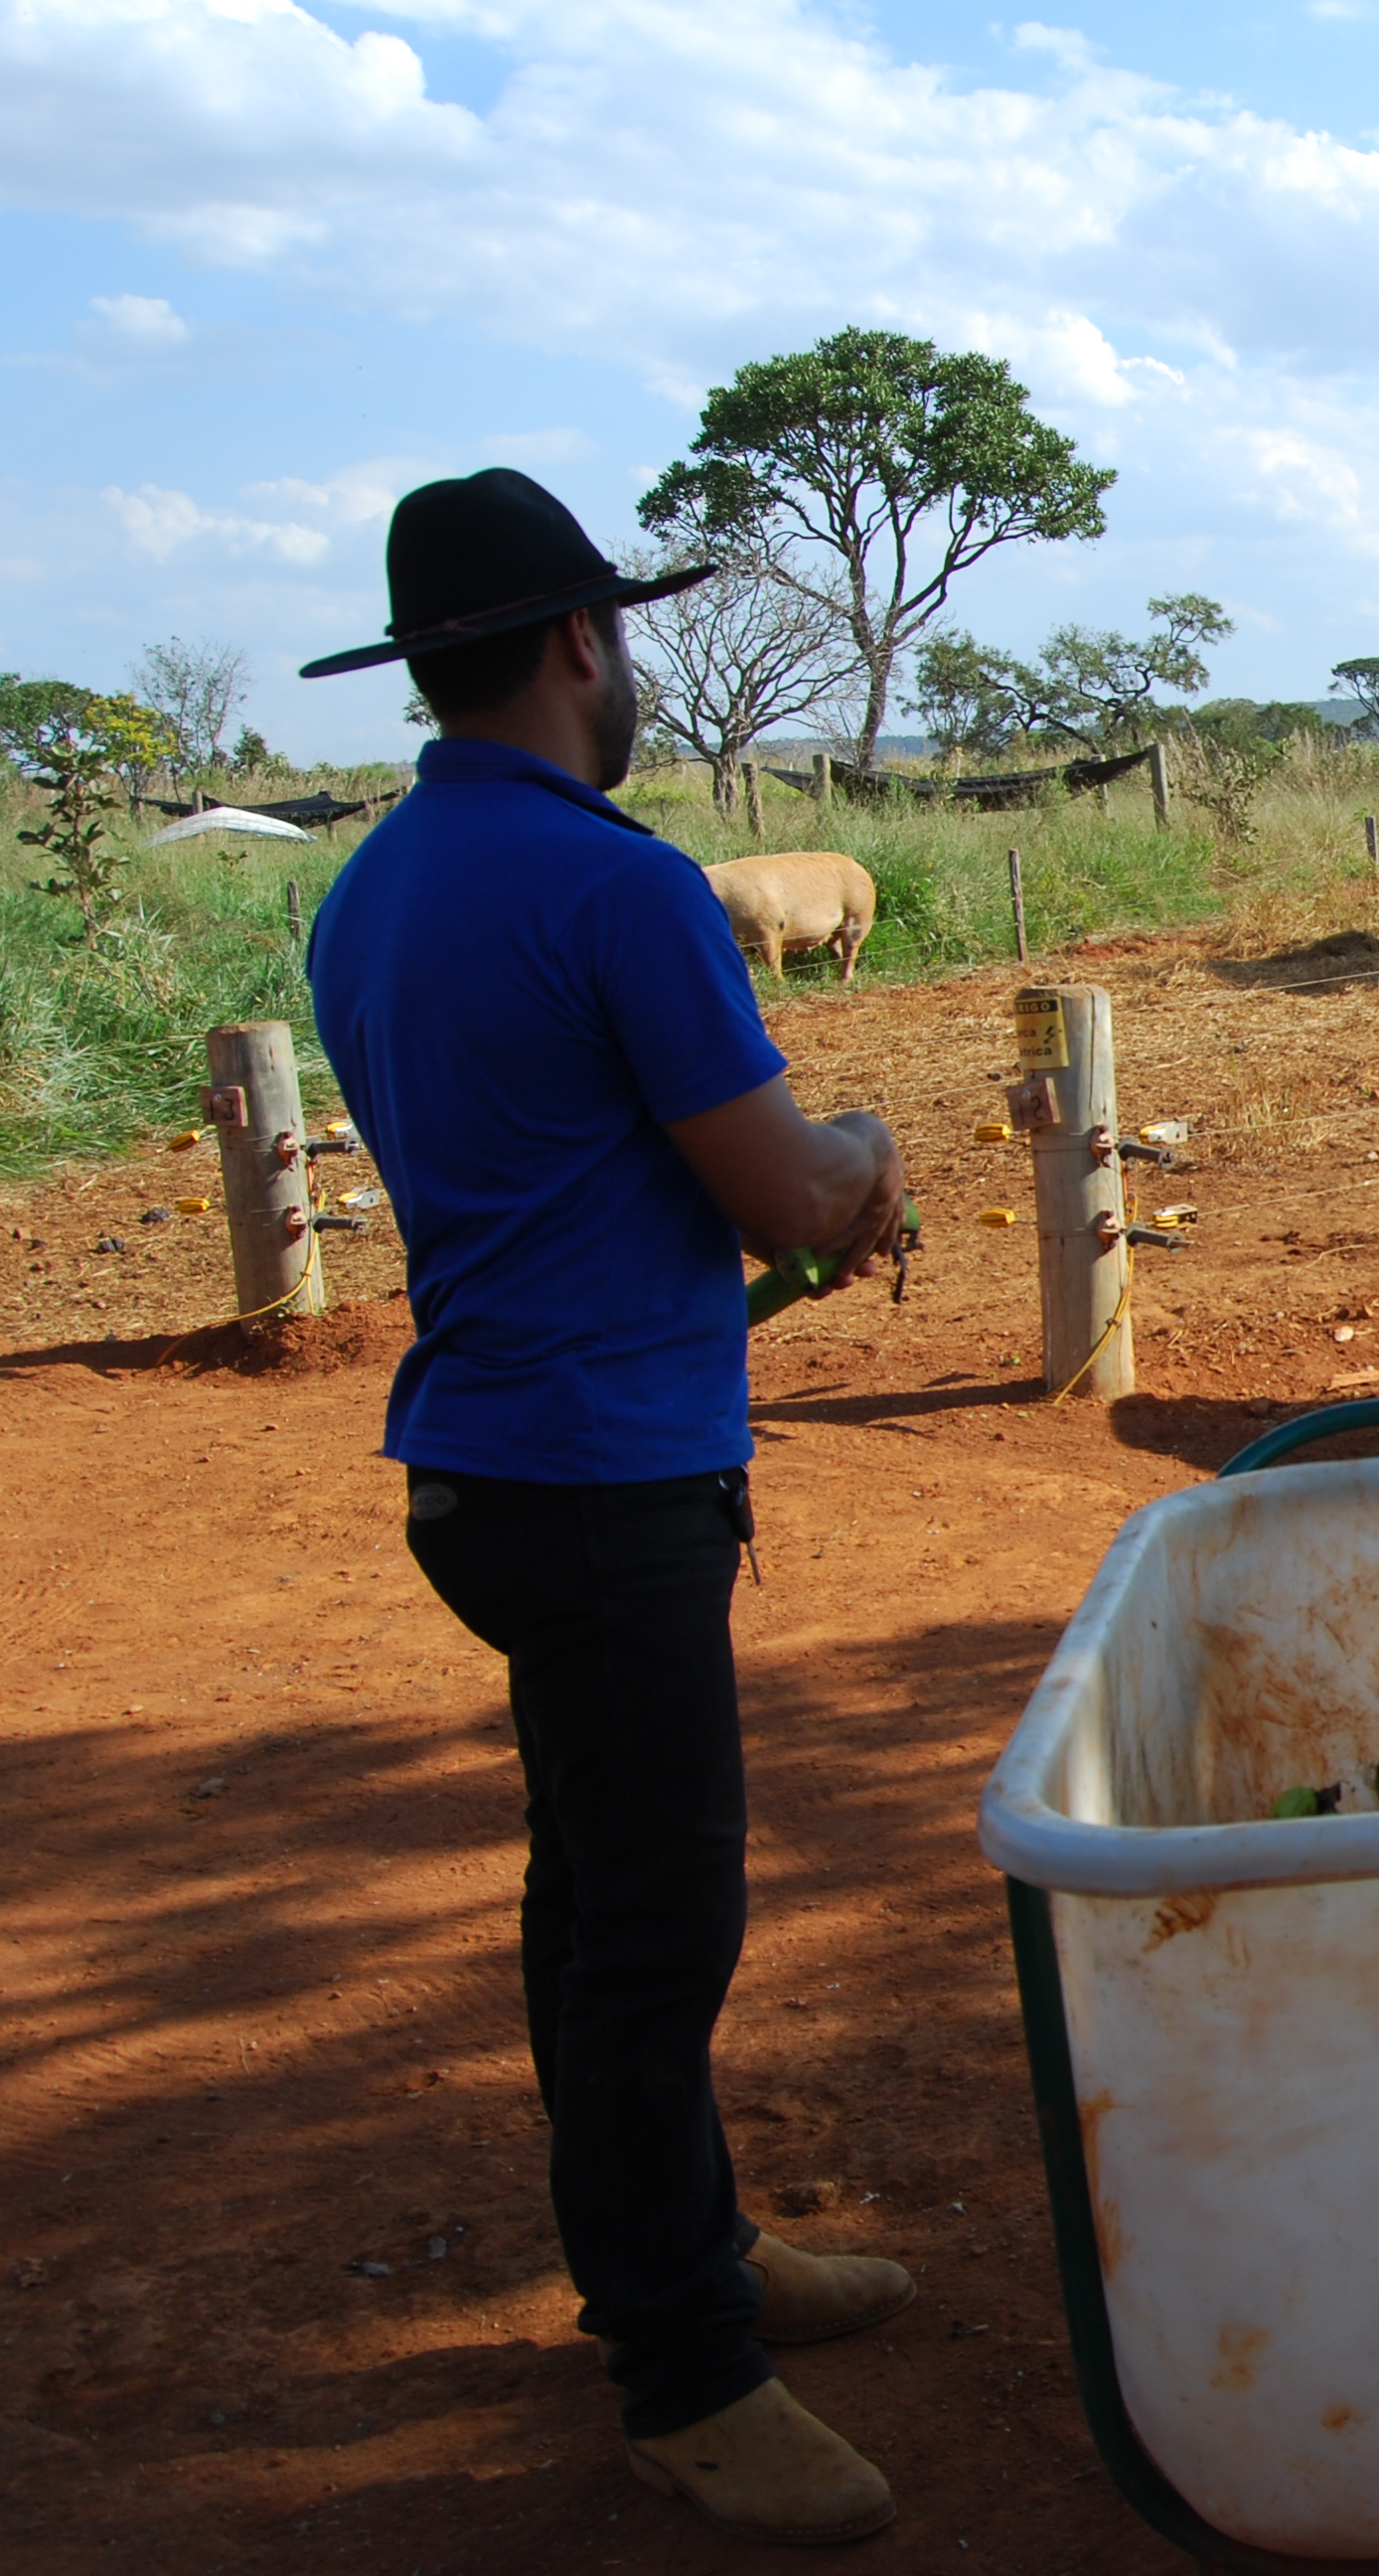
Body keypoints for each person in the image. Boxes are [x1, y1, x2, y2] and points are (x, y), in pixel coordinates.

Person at [302, 470, 915, 2544]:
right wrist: (871, 1148)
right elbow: (790, 1196)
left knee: (592, 1901)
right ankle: (685, 2369)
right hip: (606, 1478)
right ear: (582, 641)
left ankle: (694, 2253)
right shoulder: (620, 886)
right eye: (621, 634)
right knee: (655, 1933)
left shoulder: (372, 889)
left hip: (487, 1465)